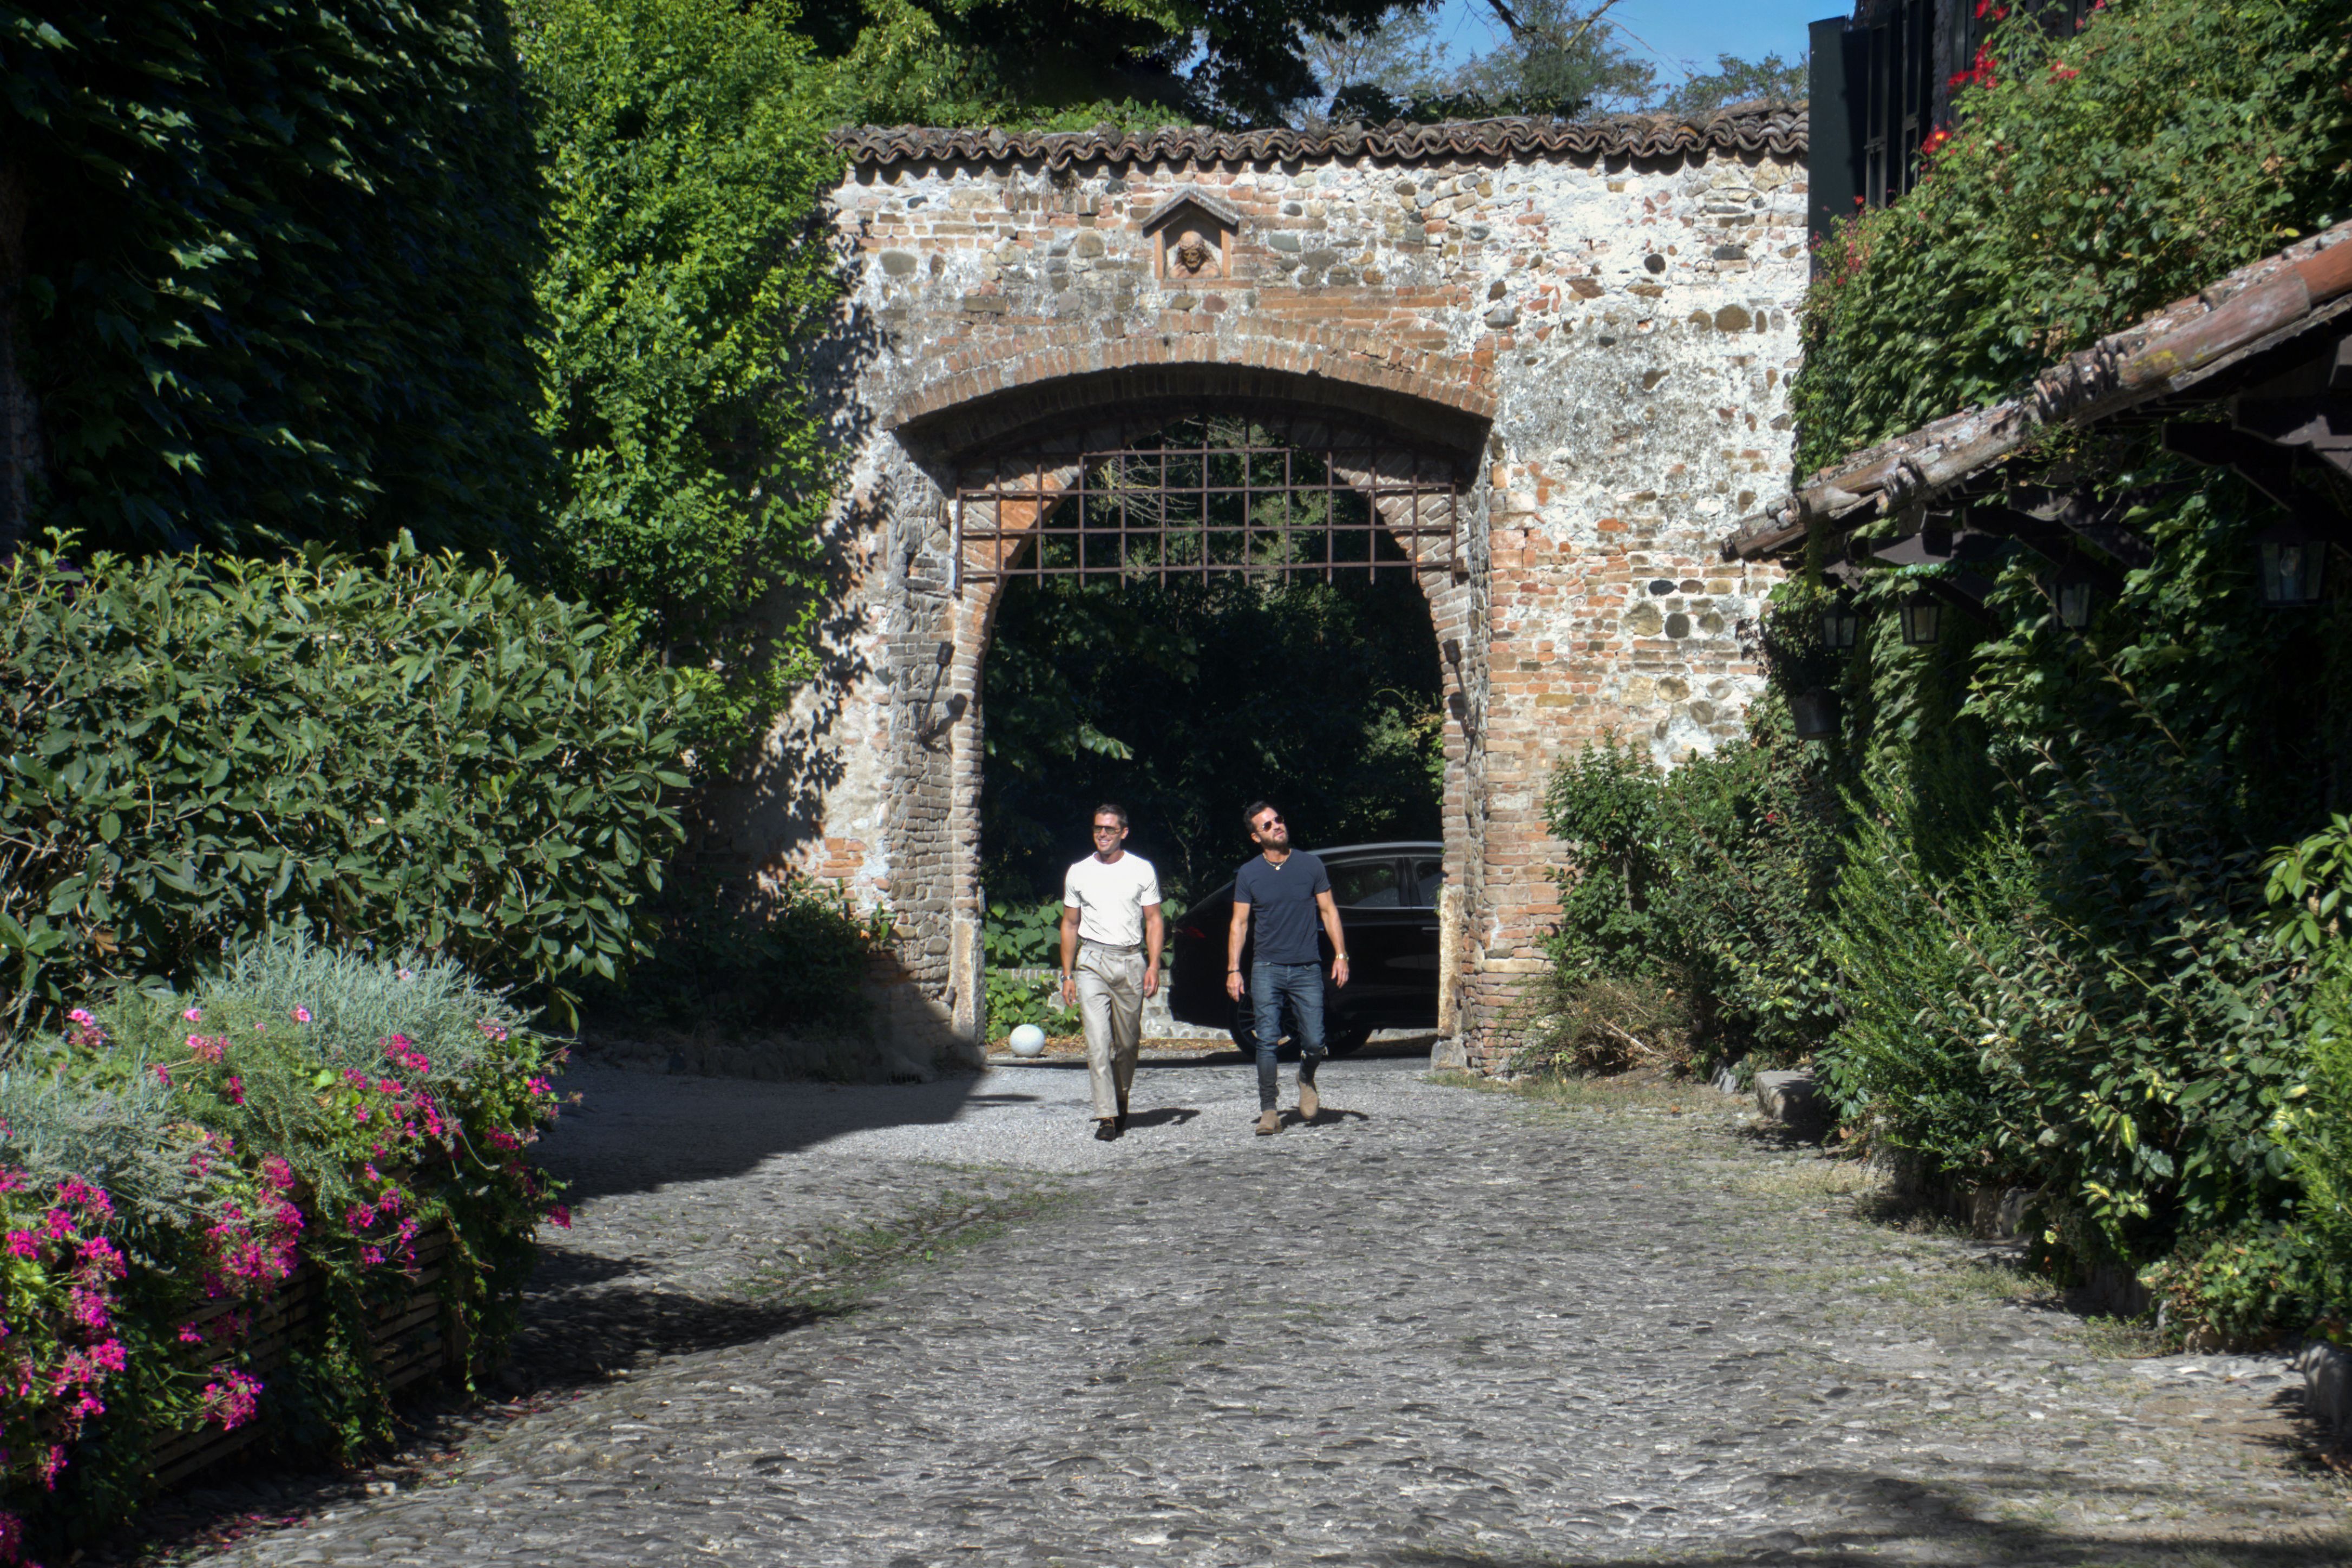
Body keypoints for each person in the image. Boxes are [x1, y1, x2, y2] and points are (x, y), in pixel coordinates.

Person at [1225, 801, 1348, 1136]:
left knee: (1314, 1039)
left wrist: (1341, 955)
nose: (1277, 826)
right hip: (1266, 967)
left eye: (1278, 819)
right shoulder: (1249, 873)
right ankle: (1269, 1110)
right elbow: (1239, 923)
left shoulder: (1310, 865)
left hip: (1307, 967)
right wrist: (1234, 970)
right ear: (1256, 837)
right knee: (1266, 1041)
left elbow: (1329, 911)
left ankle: (1306, 1076)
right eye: (1267, 825)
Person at [1059, 803, 1163, 1141]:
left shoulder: (1141, 869)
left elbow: (1153, 920)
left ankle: (1121, 1094)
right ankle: (1106, 1115)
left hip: (1130, 959)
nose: (1102, 834)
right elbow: (1070, 924)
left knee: (1128, 1043)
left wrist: (1154, 964)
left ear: (1123, 832)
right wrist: (1068, 974)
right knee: (1098, 1043)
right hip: (1091, 960)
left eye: (1109, 829)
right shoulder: (1078, 871)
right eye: (1097, 829)